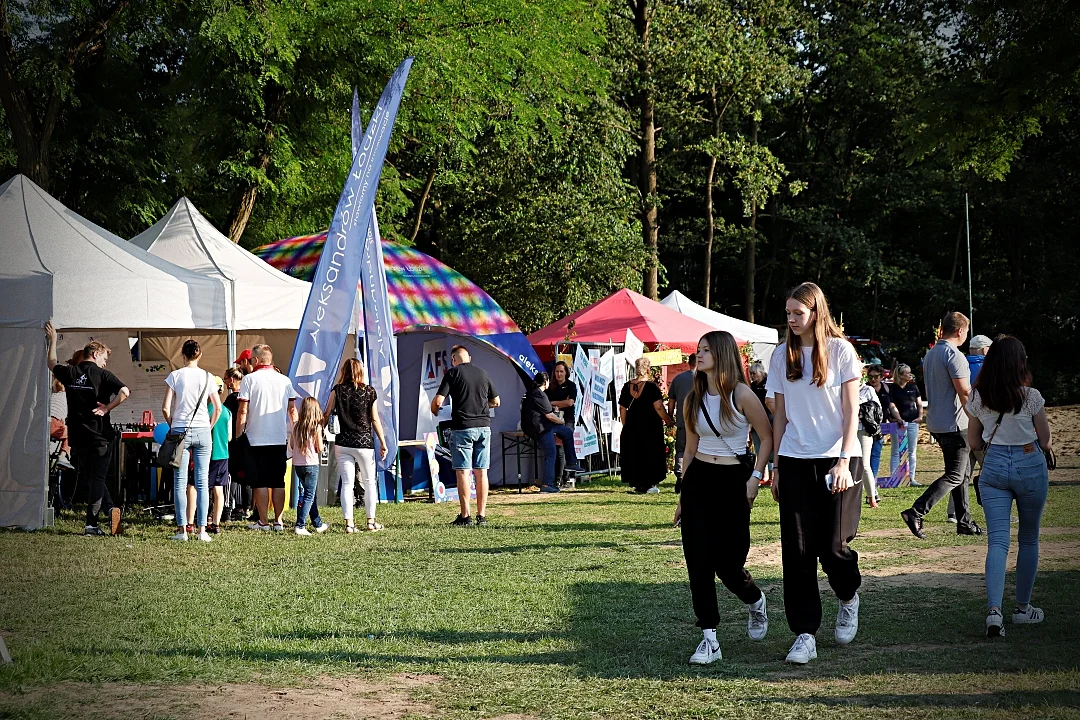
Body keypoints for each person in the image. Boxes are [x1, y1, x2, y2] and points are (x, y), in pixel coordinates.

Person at [766, 282, 864, 665]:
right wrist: (774, 465)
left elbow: (852, 412)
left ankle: (848, 596)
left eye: (797, 313)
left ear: (815, 312)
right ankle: (805, 634)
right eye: (787, 313)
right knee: (798, 550)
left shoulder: (841, 351)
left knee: (833, 546)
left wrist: (843, 461)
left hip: (839, 458)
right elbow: (780, 416)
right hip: (792, 459)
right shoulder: (780, 356)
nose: (791, 320)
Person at [673, 331, 773, 665]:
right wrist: (683, 496)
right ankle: (709, 638)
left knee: (729, 564)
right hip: (700, 478)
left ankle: (755, 600)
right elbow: (689, 449)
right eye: (697, 349)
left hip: (733, 480)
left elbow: (766, 436)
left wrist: (756, 477)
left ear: (722, 354)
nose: (698, 355)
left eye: (705, 350)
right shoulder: (693, 397)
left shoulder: (741, 394)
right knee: (697, 561)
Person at [966, 337, 1053, 637]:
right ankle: (1023, 608)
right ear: (1020, 362)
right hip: (1029, 462)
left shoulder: (979, 396)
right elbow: (1044, 440)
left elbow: (974, 441)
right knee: (1029, 538)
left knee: (998, 542)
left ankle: (994, 612)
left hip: (994, 466)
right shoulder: (1031, 396)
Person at [900, 312, 983, 539]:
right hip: (956, 423)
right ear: (960, 331)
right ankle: (916, 512)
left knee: (960, 473)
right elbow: (964, 392)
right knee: (956, 475)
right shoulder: (954, 356)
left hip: (937, 421)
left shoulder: (931, 354)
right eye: (966, 331)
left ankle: (964, 521)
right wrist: (977, 420)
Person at [45, 322, 129, 536]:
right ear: (96, 353)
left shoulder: (71, 373)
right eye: (104, 358)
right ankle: (92, 524)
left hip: (78, 437)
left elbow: (51, 363)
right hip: (100, 436)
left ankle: (110, 510)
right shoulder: (104, 375)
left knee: (93, 478)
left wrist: (53, 339)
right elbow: (125, 392)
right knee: (98, 478)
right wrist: (108, 407)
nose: (105, 362)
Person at [432, 346, 500, 526]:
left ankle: (465, 516)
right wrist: (482, 407)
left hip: (462, 427)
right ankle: (482, 515)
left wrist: (434, 410)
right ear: (469, 357)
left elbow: (439, 401)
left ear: (454, 359)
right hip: (484, 427)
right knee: (481, 472)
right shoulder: (483, 373)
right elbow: (496, 401)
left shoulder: (453, 373)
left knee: (463, 472)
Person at [162, 340, 222, 542]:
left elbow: (165, 408)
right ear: (200, 354)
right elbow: (218, 408)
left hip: (180, 430)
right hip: (203, 430)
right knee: (202, 482)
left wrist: (173, 425)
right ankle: (202, 530)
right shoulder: (208, 377)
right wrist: (209, 426)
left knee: (180, 483)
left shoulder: (175, 376)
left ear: (182, 354)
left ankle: (182, 530)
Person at [237, 344, 297, 531]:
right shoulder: (285, 380)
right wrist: (294, 434)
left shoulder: (249, 380)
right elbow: (292, 410)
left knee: (259, 481)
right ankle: (278, 521)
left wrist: (238, 436)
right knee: (278, 481)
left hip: (255, 438)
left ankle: (263, 521)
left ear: (256, 360)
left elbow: (242, 411)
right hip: (279, 438)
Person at [324, 358, 388, 533]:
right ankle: (370, 522)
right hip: (364, 442)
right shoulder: (369, 392)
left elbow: (327, 413)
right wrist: (382, 442)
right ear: (361, 371)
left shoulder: (337, 391)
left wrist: (318, 432)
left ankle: (349, 524)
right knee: (369, 483)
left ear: (344, 371)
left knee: (347, 484)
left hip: (343, 442)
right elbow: (374, 419)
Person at [522, 372, 584, 493]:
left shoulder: (533, 393)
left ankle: (571, 462)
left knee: (567, 432)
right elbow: (550, 415)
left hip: (545, 425)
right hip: (541, 428)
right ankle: (546, 485)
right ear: (546, 383)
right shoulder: (539, 394)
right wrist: (561, 421)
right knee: (551, 453)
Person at [618, 356, 672, 494]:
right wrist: (669, 420)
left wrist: (625, 425)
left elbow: (622, 408)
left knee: (634, 454)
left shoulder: (626, 386)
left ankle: (637, 483)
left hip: (632, 425)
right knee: (650, 453)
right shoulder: (652, 387)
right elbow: (659, 407)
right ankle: (649, 484)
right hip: (650, 426)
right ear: (648, 369)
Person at [291, 396, 330, 536]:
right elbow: (319, 448)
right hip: (311, 464)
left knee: (308, 494)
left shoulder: (296, 425)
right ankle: (300, 525)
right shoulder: (316, 427)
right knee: (309, 495)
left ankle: (317, 523)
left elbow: (291, 445)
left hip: (298, 465)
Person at [665, 353, 697, 493]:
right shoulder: (705, 378)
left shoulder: (678, 379)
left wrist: (670, 417)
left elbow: (671, 401)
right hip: (701, 421)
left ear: (689, 363)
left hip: (683, 420)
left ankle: (680, 475)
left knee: (681, 449)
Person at [888, 364, 923, 485]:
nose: (910, 375)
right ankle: (894, 478)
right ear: (901, 375)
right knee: (896, 451)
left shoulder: (913, 387)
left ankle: (911, 478)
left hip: (912, 422)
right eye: (907, 373)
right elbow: (891, 405)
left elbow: (919, 403)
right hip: (898, 423)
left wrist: (920, 416)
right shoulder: (892, 388)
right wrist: (897, 419)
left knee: (912, 451)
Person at [865, 364, 900, 481]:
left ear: (881, 377)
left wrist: (897, 418)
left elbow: (891, 405)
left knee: (876, 454)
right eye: (870, 377)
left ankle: (872, 478)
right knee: (864, 455)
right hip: (866, 428)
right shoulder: (864, 389)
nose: (873, 379)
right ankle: (862, 479)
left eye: (875, 376)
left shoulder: (886, 389)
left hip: (881, 427)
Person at [545, 361, 578, 485]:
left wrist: (553, 403)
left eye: (561, 371)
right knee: (558, 449)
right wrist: (560, 402)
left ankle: (568, 476)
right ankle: (558, 478)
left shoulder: (571, 386)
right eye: (557, 371)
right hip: (554, 420)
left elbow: (570, 403)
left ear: (566, 373)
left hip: (567, 420)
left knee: (565, 447)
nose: (559, 374)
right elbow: (545, 403)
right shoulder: (551, 387)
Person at [207, 376, 232, 534]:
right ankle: (216, 523)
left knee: (201, 488)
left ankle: (201, 520)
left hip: (207, 453)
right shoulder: (227, 412)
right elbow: (229, 437)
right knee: (219, 489)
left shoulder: (205, 410)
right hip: (223, 454)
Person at [222, 367, 248, 520]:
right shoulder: (246, 398)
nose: (225, 382)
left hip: (233, 441)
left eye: (225, 379)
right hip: (245, 440)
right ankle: (245, 508)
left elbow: (224, 418)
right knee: (245, 476)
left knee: (231, 475)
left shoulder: (232, 399)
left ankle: (228, 508)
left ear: (231, 380)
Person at [857, 378, 883, 507]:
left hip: (863, 431)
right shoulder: (842, 387)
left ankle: (872, 496)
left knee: (864, 464)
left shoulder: (868, 390)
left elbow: (878, 411)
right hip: (844, 430)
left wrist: (862, 411)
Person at [748, 361, 773, 485]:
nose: (752, 376)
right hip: (755, 421)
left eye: (754, 373)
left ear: (761, 373)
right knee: (759, 448)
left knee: (771, 448)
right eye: (750, 373)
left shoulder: (769, 383)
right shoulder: (752, 387)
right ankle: (764, 475)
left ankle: (772, 474)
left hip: (770, 419)